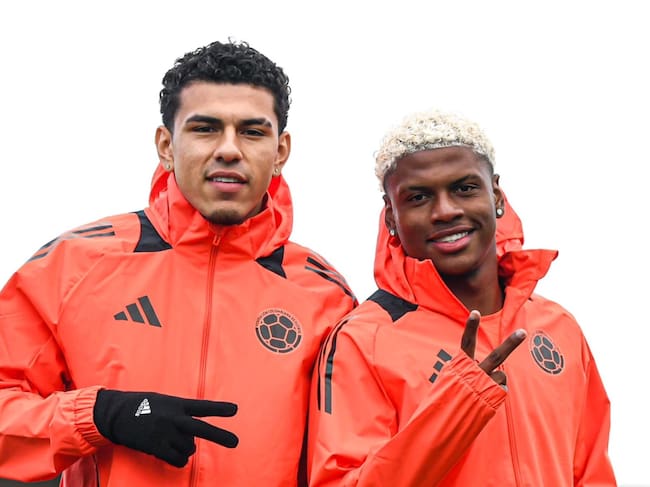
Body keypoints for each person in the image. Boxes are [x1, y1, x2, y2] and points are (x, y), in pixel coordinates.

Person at [0, 40, 357, 486]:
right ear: (166, 145)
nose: (229, 149)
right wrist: (101, 414)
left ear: (281, 151)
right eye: (205, 128)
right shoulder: (73, 264)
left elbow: (351, 462)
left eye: (252, 132)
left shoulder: (327, 295)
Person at [307, 109, 616, 485]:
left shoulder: (559, 328)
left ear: (496, 195)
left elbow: (593, 474)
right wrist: (454, 408)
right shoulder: (363, 340)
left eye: (465, 188)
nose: (446, 211)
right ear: (391, 217)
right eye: (419, 197)